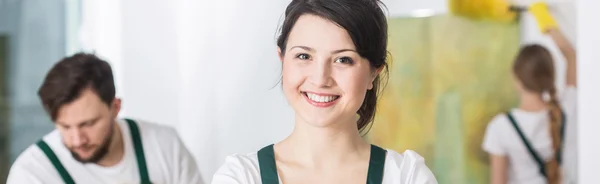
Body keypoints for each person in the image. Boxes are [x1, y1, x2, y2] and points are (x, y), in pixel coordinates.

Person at [212, 0, 437, 183]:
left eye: (343, 59)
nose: (320, 79)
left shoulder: (406, 177)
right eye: (304, 56)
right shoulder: (242, 177)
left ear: (373, 73)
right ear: (282, 59)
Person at [6, 53, 203, 184]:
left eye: (88, 124)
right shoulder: (33, 173)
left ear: (115, 107)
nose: (77, 140)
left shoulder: (165, 147)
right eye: (65, 126)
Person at [482, 2, 577, 184]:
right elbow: (571, 54)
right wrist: (543, 19)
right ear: (550, 76)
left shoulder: (501, 128)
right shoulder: (566, 110)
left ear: (517, 79)